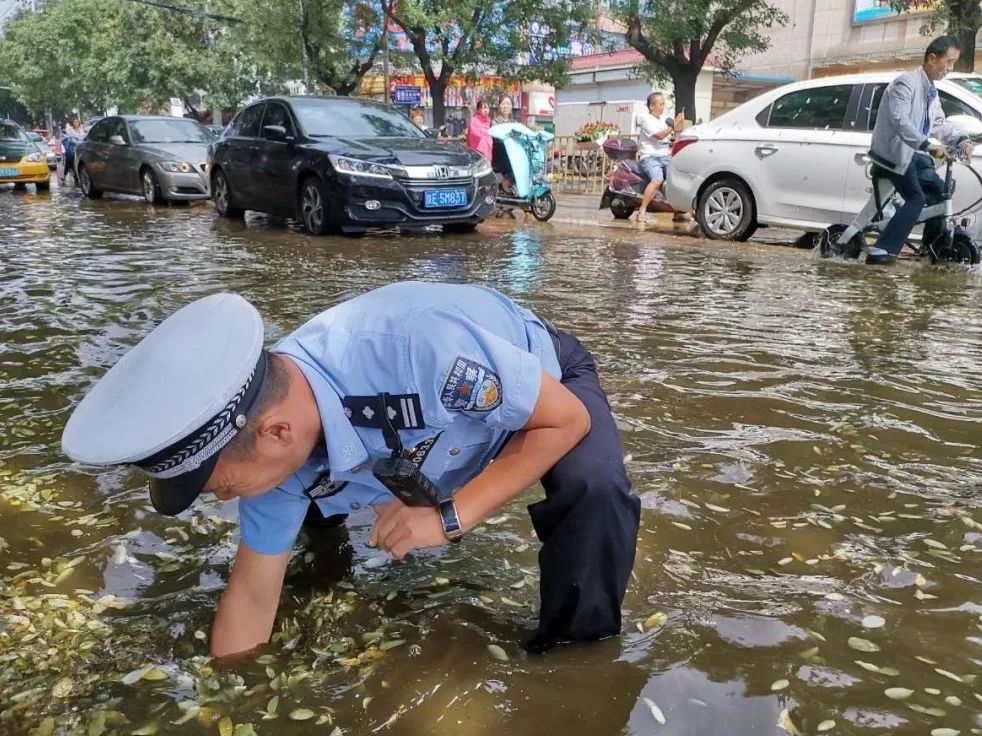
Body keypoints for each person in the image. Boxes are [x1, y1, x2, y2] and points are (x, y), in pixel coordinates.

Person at [61, 283, 641, 657]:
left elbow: (563, 421)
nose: (223, 500)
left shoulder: (422, 351)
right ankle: (330, 554)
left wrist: (448, 517)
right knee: (297, 505)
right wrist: (226, 697)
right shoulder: (264, 439)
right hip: (401, 447)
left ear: (276, 433)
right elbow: (252, 595)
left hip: (534, 388)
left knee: (595, 489)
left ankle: (579, 650)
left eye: (224, 486)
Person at [867, 35, 974, 265]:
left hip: (912, 155)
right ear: (933, 58)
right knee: (917, 198)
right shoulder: (905, 83)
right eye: (949, 62)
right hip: (892, 155)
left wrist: (961, 140)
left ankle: (931, 248)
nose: (950, 68)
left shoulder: (931, 93)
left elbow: (939, 124)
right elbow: (899, 120)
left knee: (939, 193)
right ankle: (882, 250)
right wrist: (928, 145)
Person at [636, 92, 685, 225]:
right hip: (650, 157)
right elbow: (660, 136)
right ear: (652, 106)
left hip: (665, 156)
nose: (663, 106)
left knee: (677, 180)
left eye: (664, 104)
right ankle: (642, 210)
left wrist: (678, 126)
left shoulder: (664, 118)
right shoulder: (646, 119)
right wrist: (673, 125)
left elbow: (673, 134)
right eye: (660, 104)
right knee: (657, 180)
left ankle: (678, 211)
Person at [60, 116, 83, 187]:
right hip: (71, 149)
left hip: (79, 148)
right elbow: (68, 138)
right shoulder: (70, 130)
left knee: (71, 163)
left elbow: (83, 137)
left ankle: (66, 176)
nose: (76, 123)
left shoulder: (81, 130)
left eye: (77, 122)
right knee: (71, 162)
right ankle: (75, 179)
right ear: (72, 123)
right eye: (74, 122)